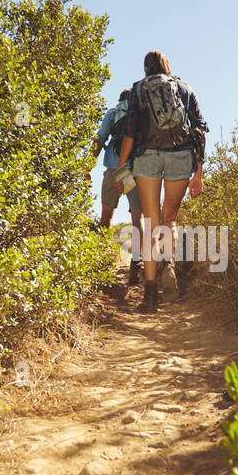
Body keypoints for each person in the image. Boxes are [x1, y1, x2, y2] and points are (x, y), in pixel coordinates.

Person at [114, 51, 208, 314]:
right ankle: (169, 265)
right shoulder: (184, 88)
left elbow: (130, 132)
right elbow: (200, 130)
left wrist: (120, 170)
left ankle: (149, 298)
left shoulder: (138, 89)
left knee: (150, 223)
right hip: (180, 156)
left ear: (145, 68)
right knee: (169, 221)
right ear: (168, 66)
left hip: (147, 158)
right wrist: (198, 173)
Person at [87, 89, 144, 285]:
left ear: (120, 99)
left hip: (113, 169)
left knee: (106, 216)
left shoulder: (112, 113)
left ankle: (100, 262)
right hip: (136, 169)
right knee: (137, 218)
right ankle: (137, 264)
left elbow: (101, 137)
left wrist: (87, 166)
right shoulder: (141, 112)